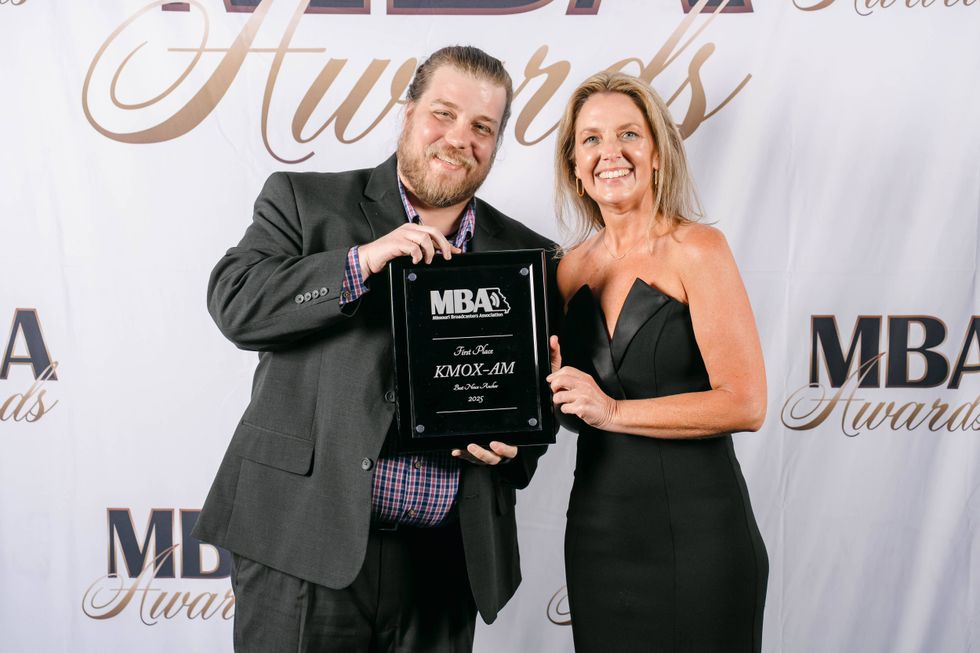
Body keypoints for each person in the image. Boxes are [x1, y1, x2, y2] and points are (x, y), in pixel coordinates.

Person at [193, 46, 558, 653]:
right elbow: (236, 303)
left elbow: (530, 420)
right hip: (303, 546)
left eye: (482, 127)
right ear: (408, 111)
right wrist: (362, 262)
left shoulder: (531, 257)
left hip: (445, 565)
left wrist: (514, 443)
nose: (459, 138)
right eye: (443, 113)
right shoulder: (305, 202)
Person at [547, 71, 769, 652]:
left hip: (701, 536)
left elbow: (745, 404)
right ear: (574, 164)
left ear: (657, 155)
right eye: (590, 139)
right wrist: (547, 387)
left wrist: (614, 411)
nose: (609, 153)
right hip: (599, 535)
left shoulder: (698, 249)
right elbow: (577, 413)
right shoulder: (567, 271)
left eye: (628, 134)